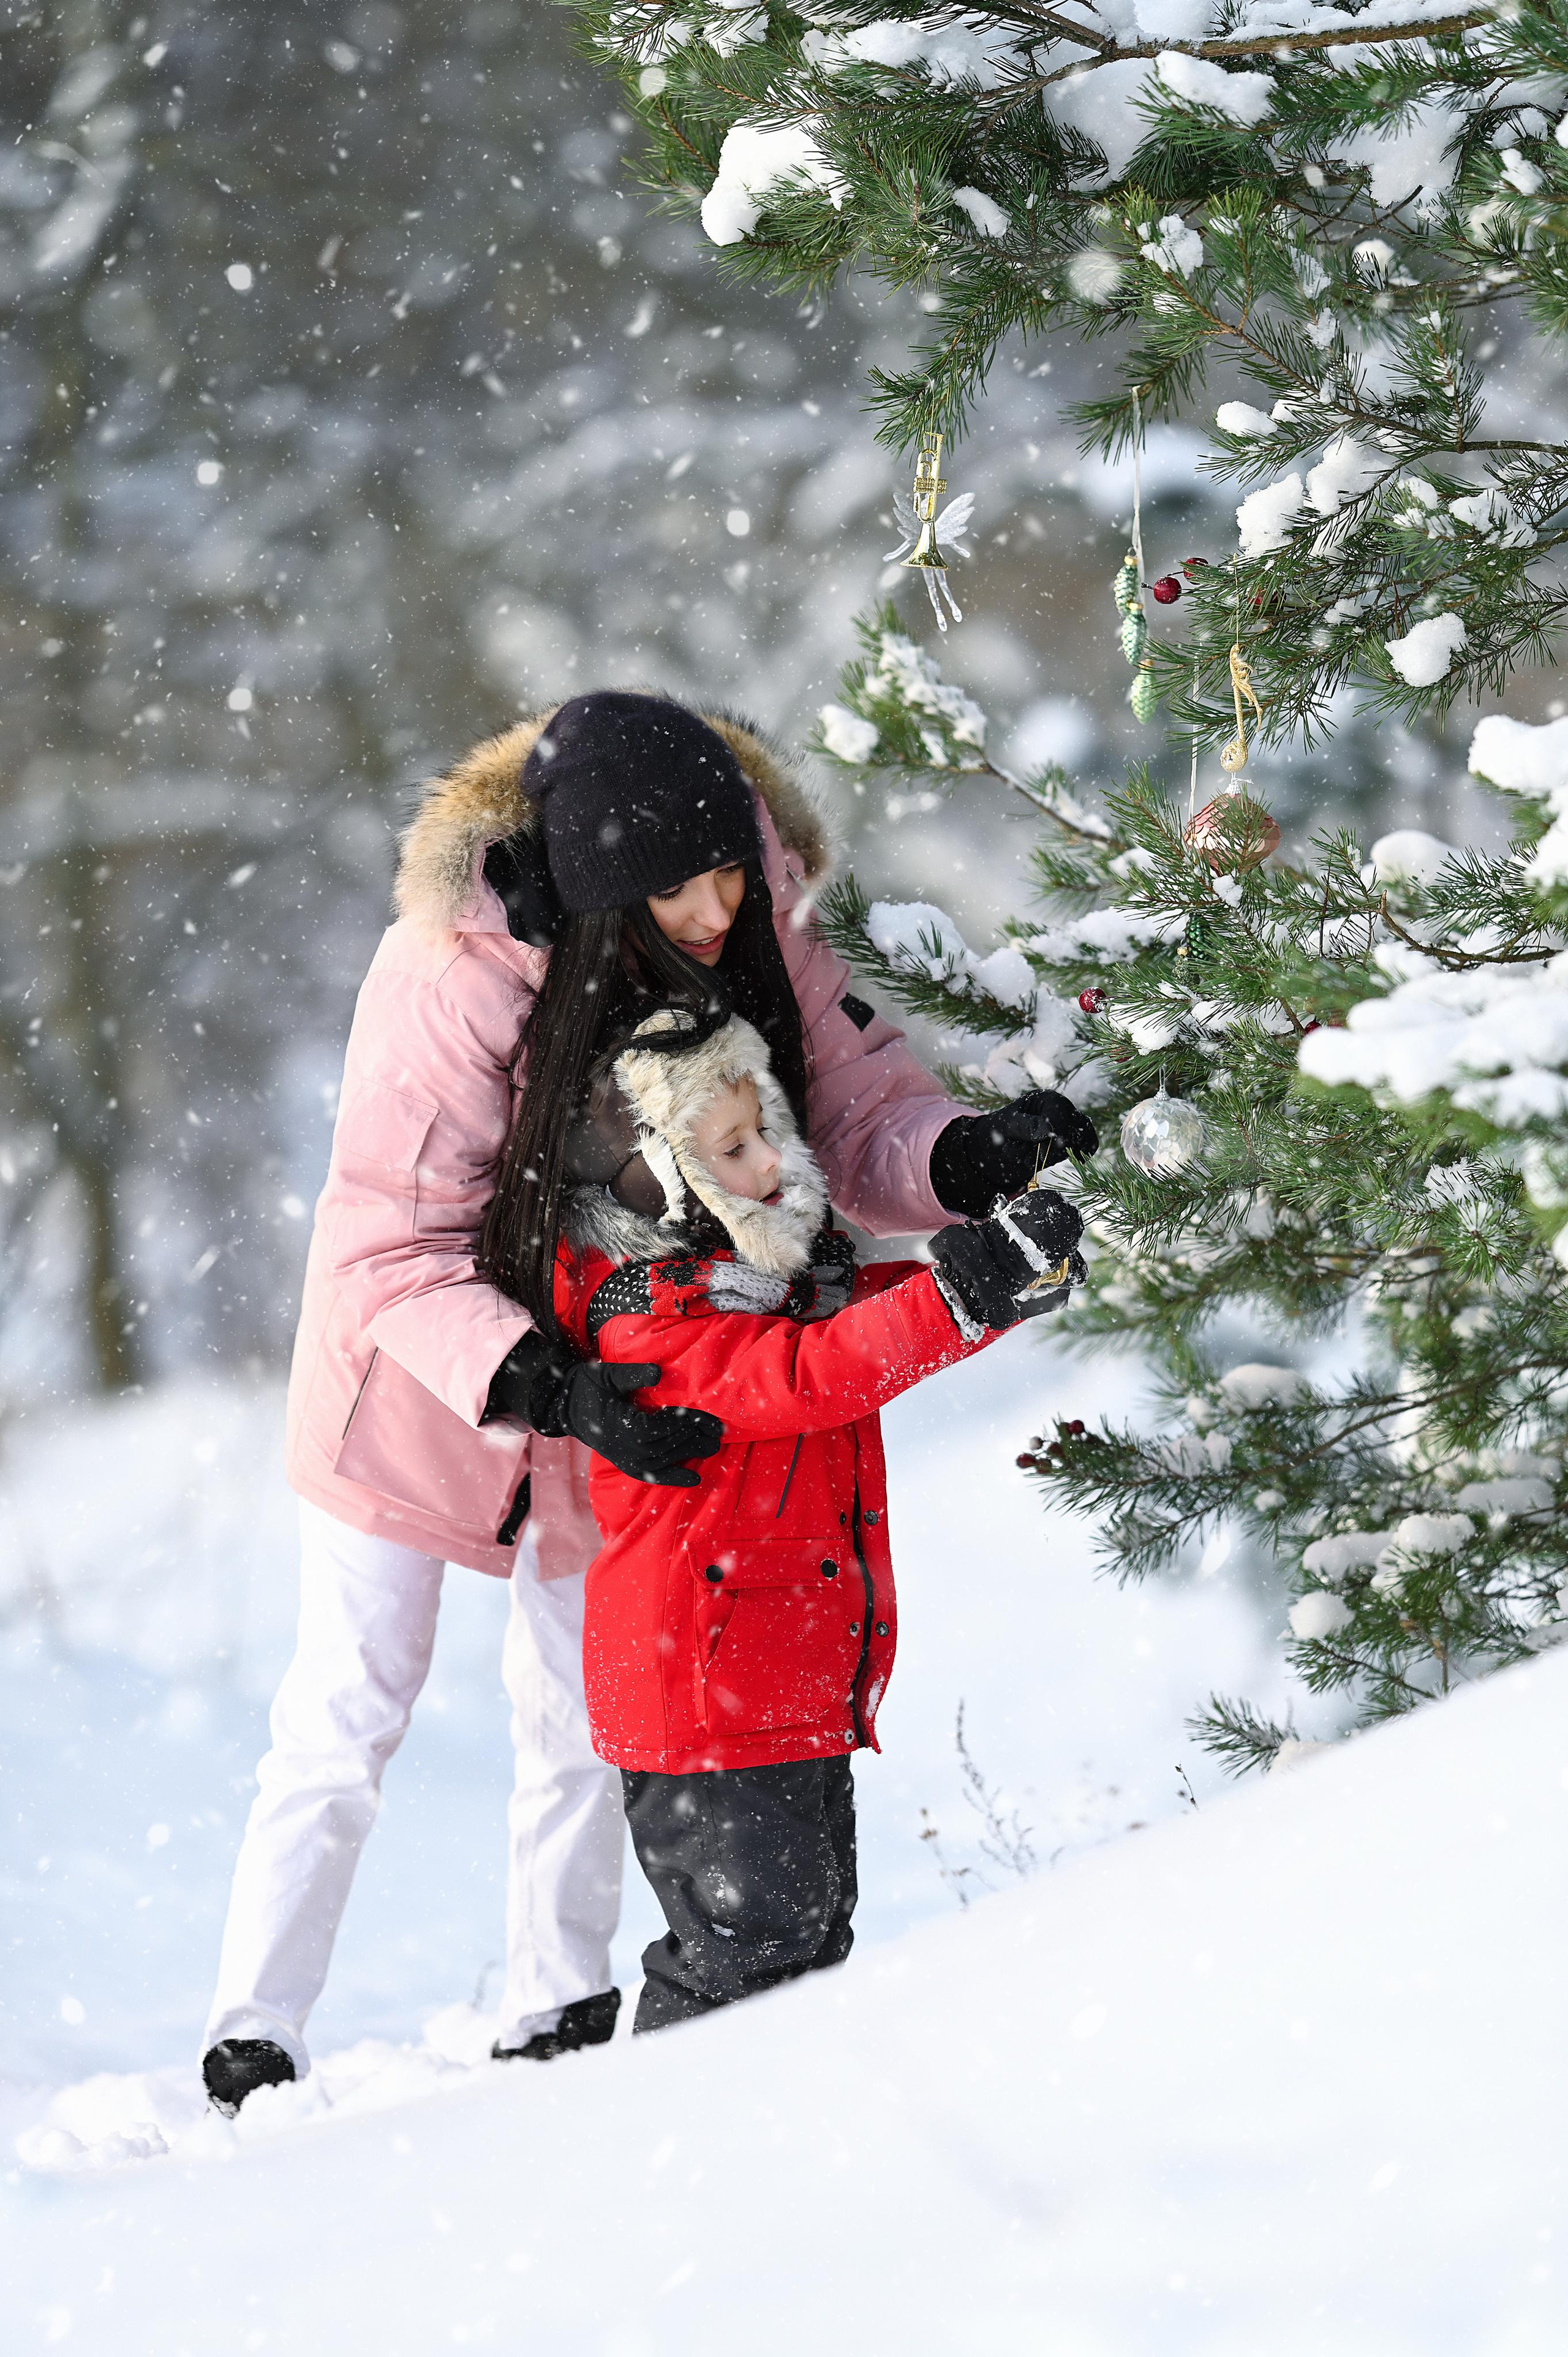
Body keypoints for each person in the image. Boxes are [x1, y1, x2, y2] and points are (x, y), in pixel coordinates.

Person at [201, 690, 1096, 2112]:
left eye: (727, 871)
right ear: (603, 877)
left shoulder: (760, 932)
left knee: (575, 1699)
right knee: (350, 1703)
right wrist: (540, 1382)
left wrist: (967, 1159)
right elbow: (388, 1243)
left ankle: (554, 2002)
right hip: (430, 1379)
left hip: (637, 1360)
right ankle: (255, 2026)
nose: (712, 907)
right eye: (675, 886)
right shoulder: (456, 972)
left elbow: (852, 1123)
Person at [535, 1001, 1086, 2027]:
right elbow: (811, 1373)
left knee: (808, 1947)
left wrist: (990, 1275)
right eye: (732, 1147)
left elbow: (858, 1316)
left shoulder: (753, 1286)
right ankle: (670, 2153)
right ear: (658, 1178)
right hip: (703, 1702)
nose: (769, 1161)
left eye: (768, 1130)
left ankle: (772, 2159)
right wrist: (959, 1300)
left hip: (781, 1687)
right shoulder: (648, 1324)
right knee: (741, 1960)